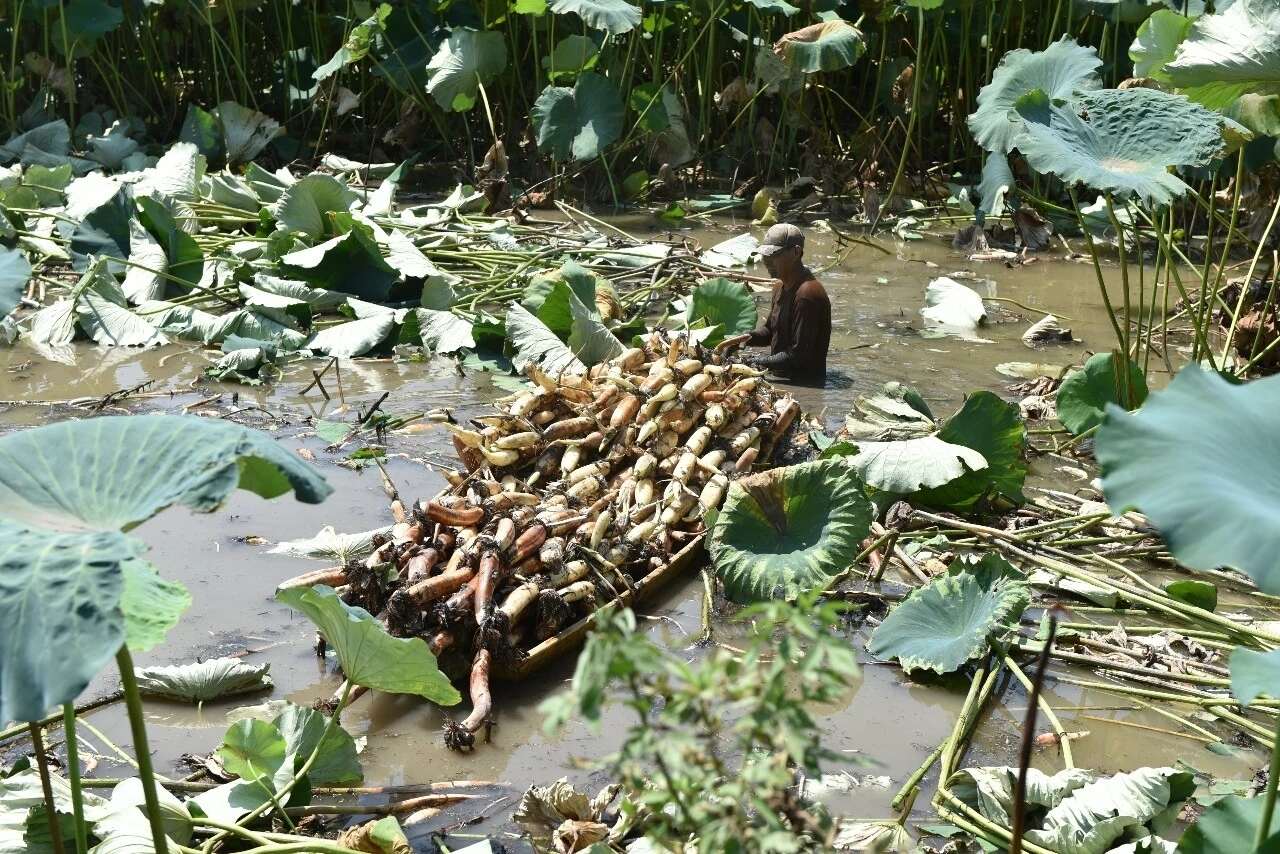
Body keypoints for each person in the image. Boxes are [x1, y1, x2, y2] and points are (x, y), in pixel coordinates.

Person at [724, 223, 831, 383]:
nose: (766, 261)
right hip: (780, 377)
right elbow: (770, 332)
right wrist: (744, 338)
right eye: (764, 255)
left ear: (796, 252)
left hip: (804, 385)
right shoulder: (779, 286)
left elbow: (798, 355)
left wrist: (756, 362)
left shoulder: (807, 294)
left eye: (773, 255)